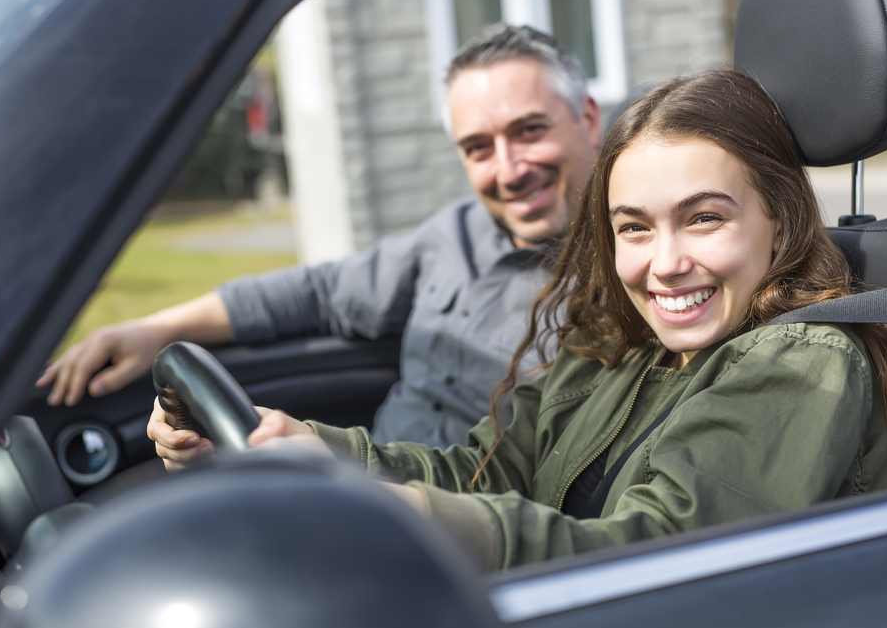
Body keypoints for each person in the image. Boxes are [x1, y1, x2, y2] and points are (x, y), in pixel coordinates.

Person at [149, 70, 887, 571]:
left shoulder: (802, 359)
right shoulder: (623, 348)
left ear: (779, 220)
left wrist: (404, 516)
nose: (663, 264)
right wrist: (307, 447)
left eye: (703, 219)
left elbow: (657, 563)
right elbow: (486, 475)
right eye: (633, 227)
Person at [36, 24, 601, 449]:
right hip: (362, 495)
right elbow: (317, 292)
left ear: (589, 118)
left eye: (529, 132)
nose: (507, 170)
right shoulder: (452, 234)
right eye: (478, 148)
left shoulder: (634, 275)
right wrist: (154, 328)